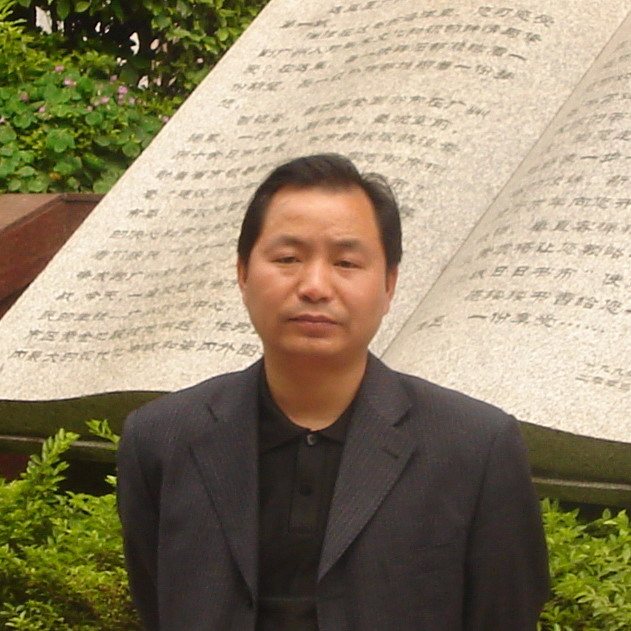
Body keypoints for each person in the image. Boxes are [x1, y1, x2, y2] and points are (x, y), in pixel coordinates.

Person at [117, 153, 549, 631]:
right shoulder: (162, 439)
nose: (315, 286)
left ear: (389, 285)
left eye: (346, 262)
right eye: (288, 259)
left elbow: (504, 611)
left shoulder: (475, 447)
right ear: (242, 272)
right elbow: (157, 601)